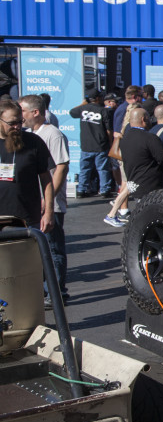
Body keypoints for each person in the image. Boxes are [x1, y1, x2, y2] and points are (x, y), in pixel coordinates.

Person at [20, 95, 69, 307]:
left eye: (22, 111)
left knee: (53, 249)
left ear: (35, 112)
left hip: (51, 204)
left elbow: (61, 167)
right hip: (35, 203)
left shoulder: (53, 134)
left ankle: (57, 293)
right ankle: (45, 291)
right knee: (39, 250)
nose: (20, 117)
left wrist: (47, 199)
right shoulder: (30, 135)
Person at [0, 100, 54, 234]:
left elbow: (46, 179)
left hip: (27, 218)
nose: (17, 127)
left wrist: (49, 212)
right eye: (12, 123)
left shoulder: (33, 142)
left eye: (20, 121)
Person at [70, 88, 115, 198]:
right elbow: (108, 130)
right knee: (103, 169)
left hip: (86, 145)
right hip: (101, 144)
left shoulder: (83, 109)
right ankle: (105, 189)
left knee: (85, 168)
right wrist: (110, 142)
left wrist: (83, 104)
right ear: (98, 98)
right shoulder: (103, 110)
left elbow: (72, 112)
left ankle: (82, 189)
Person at [120, 108, 163, 200]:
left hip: (134, 182)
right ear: (144, 119)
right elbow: (162, 158)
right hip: (151, 185)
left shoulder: (125, 138)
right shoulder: (149, 138)